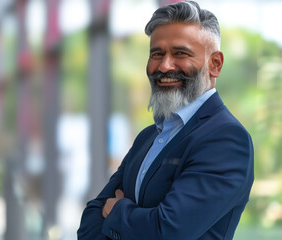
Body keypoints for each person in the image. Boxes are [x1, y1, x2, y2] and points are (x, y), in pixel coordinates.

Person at [77, 1, 254, 239]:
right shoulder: (148, 137)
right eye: (156, 54)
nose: (164, 66)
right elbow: (89, 226)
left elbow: (167, 231)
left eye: (180, 53)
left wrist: (117, 210)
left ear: (215, 64)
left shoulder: (226, 139)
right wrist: (141, 220)